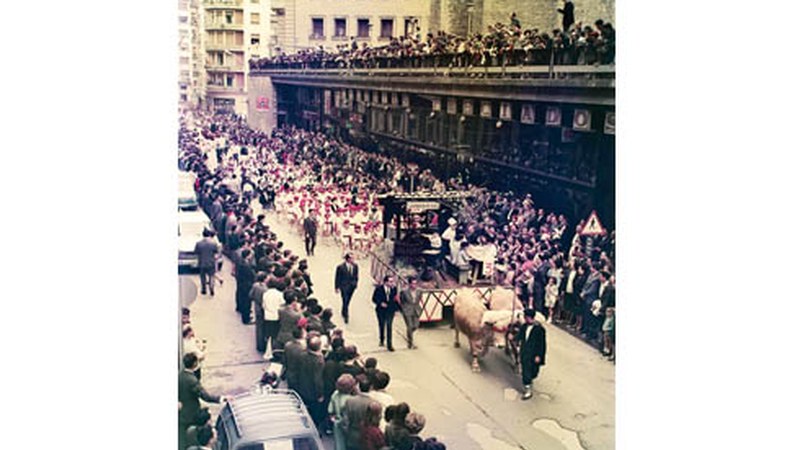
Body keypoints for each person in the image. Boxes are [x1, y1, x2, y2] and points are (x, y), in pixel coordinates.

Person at [178, 353, 224, 450]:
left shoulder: (180, 375)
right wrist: (219, 399)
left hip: (181, 414)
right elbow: (204, 396)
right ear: (194, 364)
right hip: (191, 413)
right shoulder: (192, 380)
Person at [516, 309, 547, 400]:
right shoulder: (524, 326)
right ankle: (527, 389)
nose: (525, 319)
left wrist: (539, 355)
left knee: (534, 371)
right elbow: (520, 336)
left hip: (534, 354)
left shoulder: (540, 329)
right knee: (525, 370)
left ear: (530, 317)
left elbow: (542, 344)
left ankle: (530, 380)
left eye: (526, 317)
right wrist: (514, 338)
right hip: (525, 352)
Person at [297, 334, 326, 426]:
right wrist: (320, 394)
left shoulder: (302, 355)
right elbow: (317, 379)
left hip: (303, 386)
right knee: (314, 411)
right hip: (312, 392)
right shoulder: (318, 361)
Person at [342, 375, 374, 450]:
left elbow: (345, 420)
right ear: (370, 388)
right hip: (366, 437)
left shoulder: (350, 401)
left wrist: (346, 432)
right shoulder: (373, 403)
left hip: (352, 434)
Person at [329, 374, 357, 450]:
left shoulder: (335, 394)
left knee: (339, 444)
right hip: (350, 426)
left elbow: (330, 410)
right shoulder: (352, 400)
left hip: (337, 424)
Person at [372, 275, 399, 351]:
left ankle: (389, 344)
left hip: (390, 310)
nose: (392, 283)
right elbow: (374, 298)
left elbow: (395, 300)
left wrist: (396, 310)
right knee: (382, 324)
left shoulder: (394, 289)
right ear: (385, 282)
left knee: (389, 326)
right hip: (381, 310)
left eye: (392, 281)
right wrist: (380, 303)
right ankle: (381, 339)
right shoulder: (379, 289)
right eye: (390, 281)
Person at [262, 279, 284, 359]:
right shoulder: (279, 294)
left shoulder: (265, 294)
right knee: (275, 335)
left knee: (268, 335)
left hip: (267, 316)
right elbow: (282, 305)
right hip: (276, 316)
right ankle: (273, 351)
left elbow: (263, 305)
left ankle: (268, 351)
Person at [334, 253, 359, 324]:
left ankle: (344, 310)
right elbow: (337, 278)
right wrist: (336, 287)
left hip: (351, 286)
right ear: (347, 259)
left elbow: (356, 276)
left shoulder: (355, 266)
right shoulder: (340, 267)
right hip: (344, 286)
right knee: (345, 300)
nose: (353, 260)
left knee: (348, 300)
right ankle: (346, 316)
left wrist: (355, 283)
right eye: (351, 258)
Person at [194, 229, 219, 296]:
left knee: (203, 277)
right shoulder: (213, 244)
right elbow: (216, 254)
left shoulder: (198, 244)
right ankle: (211, 288)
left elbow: (196, 252)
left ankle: (204, 289)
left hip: (202, 262)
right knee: (211, 276)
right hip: (211, 262)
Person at [399, 277, 422, 349]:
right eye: (413, 283)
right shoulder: (404, 292)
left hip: (416, 310)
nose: (414, 285)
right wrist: (404, 309)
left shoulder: (419, 291)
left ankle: (409, 333)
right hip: (407, 311)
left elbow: (419, 299)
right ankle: (410, 343)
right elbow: (402, 301)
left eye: (415, 283)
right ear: (409, 284)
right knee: (409, 326)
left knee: (416, 325)